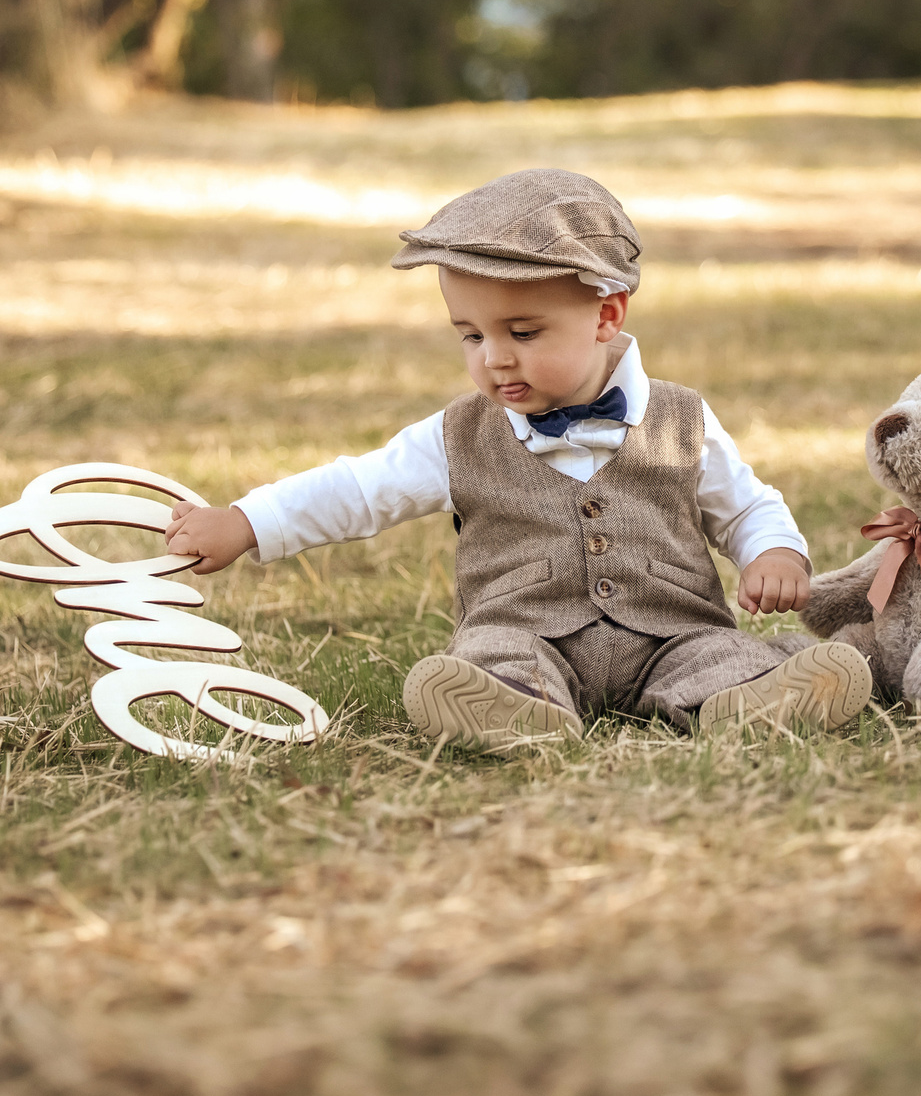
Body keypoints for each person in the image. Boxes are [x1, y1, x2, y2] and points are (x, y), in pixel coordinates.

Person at [164, 168, 875, 751]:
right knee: (495, 655)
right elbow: (358, 487)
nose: (494, 357)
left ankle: (751, 697)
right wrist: (247, 522)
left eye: (523, 331)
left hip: (673, 630)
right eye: (469, 335)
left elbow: (746, 503)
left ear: (607, 314)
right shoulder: (458, 436)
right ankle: (516, 710)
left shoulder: (682, 418)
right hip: (527, 628)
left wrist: (775, 550)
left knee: (718, 657)